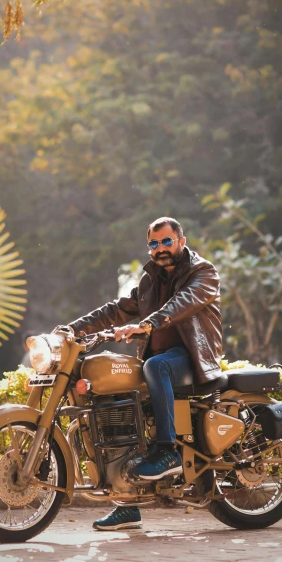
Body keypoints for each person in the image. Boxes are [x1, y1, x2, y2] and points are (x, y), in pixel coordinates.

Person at [68, 216, 223, 531]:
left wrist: (148, 323)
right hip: (161, 359)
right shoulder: (150, 280)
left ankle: (168, 452)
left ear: (181, 240)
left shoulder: (203, 272)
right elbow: (116, 309)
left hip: (191, 358)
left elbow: (183, 303)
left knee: (155, 365)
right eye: (154, 243)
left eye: (167, 241)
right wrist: (73, 328)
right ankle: (127, 503)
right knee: (119, 405)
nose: (160, 249)